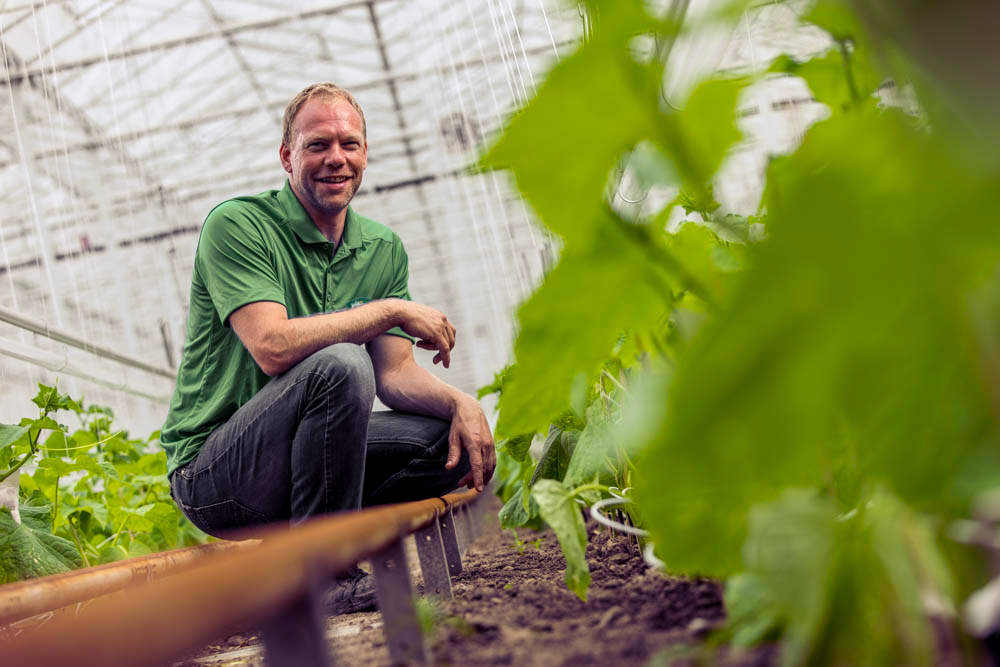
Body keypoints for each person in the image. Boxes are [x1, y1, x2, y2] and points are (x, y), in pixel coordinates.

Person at [160, 82, 496, 612]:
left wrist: (462, 403)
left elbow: (395, 375)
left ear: (366, 154)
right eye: (317, 145)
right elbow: (271, 347)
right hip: (216, 472)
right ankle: (322, 578)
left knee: (446, 444)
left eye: (350, 144)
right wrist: (387, 310)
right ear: (287, 156)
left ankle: (308, 536)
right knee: (338, 365)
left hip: (302, 466)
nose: (335, 159)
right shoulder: (239, 224)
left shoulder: (381, 248)